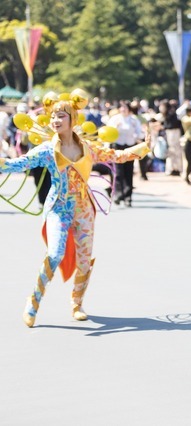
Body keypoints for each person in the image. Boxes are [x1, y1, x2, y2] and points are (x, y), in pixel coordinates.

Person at [0, 92, 150, 327]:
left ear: (73, 119)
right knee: (55, 253)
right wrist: (2, 164)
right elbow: (19, 163)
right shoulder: (48, 150)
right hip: (59, 208)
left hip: (84, 209)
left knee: (84, 259)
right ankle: (34, 302)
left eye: (61, 116)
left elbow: (116, 155)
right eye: (53, 117)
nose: (56, 120)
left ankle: (77, 304)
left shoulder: (88, 149)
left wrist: (142, 147)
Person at [107, 101, 144, 206]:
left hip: (129, 146)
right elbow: (108, 132)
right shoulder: (115, 119)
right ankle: (118, 194)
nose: (123, 110)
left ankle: (128, 197)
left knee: (129, 171)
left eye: (125, 108)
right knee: (118, 172)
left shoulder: (133, 120)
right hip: (118, 147)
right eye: (121, 108)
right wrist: (115, 126)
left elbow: (139, 132)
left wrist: (139, 137)